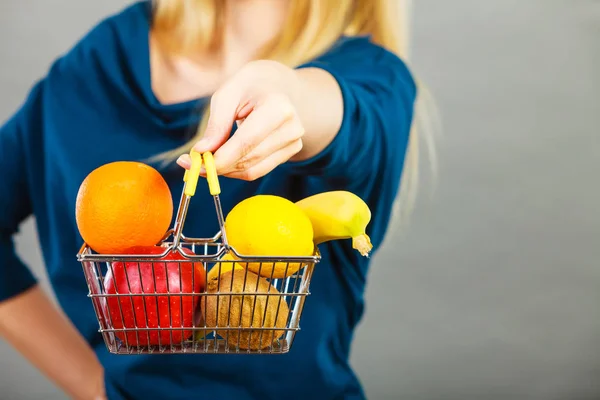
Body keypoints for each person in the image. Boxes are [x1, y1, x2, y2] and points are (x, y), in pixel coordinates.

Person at [0, 0, 421, 399]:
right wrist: (91, 386)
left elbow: (335, 112)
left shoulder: (372, 75)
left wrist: (286, 91)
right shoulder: (97, 66)